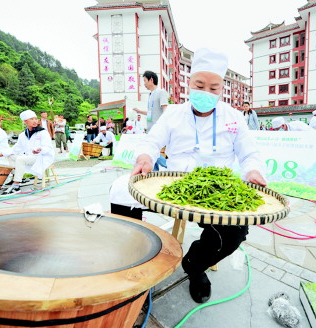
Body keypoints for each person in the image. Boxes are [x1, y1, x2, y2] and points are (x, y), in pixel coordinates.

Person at [110, 48, 266, 304]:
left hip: (215, 189)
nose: (206, 92)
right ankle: (135, 259)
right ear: (189, 84)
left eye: (214, 88)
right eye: (199, 85)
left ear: (221, 89)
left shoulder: (234, 117)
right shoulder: (173, 114)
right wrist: (145, 157)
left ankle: (195, 265)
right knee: (120, 189)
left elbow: (250, 154)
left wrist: (254, 171)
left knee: (236, 230)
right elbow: (151, 141)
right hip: (175, 182)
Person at [0, 110, 55, 195]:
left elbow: (48, 147)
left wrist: (40, 149)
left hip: (42, 157)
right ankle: (15, 178)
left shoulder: (43, 132)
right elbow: (15, 149)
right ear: (25, 121)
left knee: (20, 159)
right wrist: (0, 154)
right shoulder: (23, 135)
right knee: (10, 156)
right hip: (30, 157)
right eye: (32, 119)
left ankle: (16, 185)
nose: (35, 121)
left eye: (36, 119)